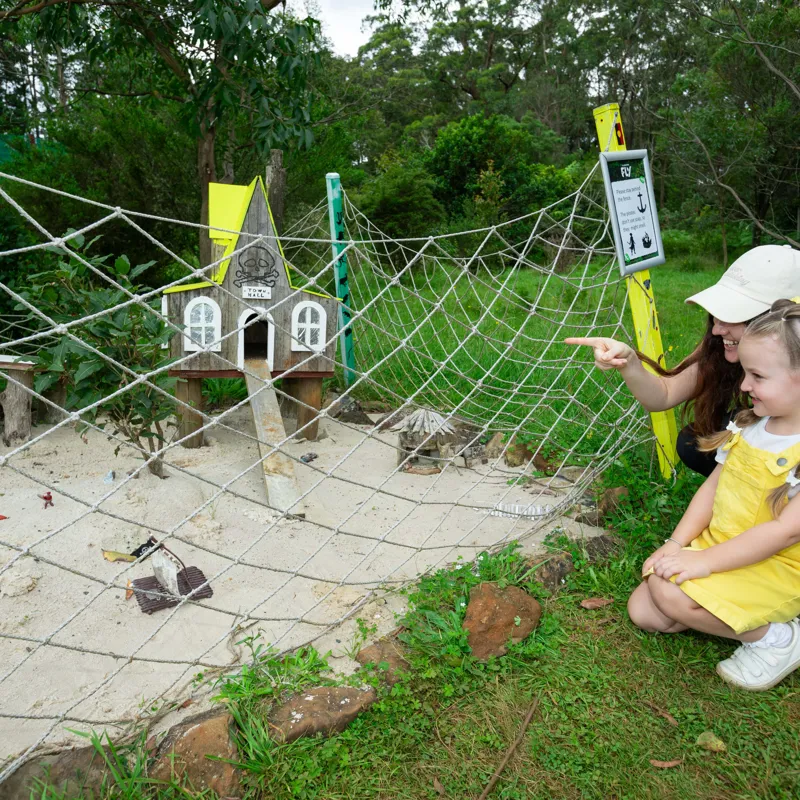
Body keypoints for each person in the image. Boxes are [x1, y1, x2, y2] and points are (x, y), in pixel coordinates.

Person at [628, 299, 800, 690]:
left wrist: (705, 562)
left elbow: (785, 533)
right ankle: (725, 611)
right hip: (723, 545)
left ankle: (780, 640)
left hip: (778, 567)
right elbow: (713, 488)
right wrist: (677, 543)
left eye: (757, 375)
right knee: (646, 612)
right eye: (744, 373)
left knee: (667, 595)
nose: (743, 386)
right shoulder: (751, 425)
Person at [565, 245, 800, 476]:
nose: (717, 329)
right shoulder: (720, 350)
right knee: (693, 443)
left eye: (732, 316)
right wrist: (628, 361)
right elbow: (664, 394)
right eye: (717, 315)